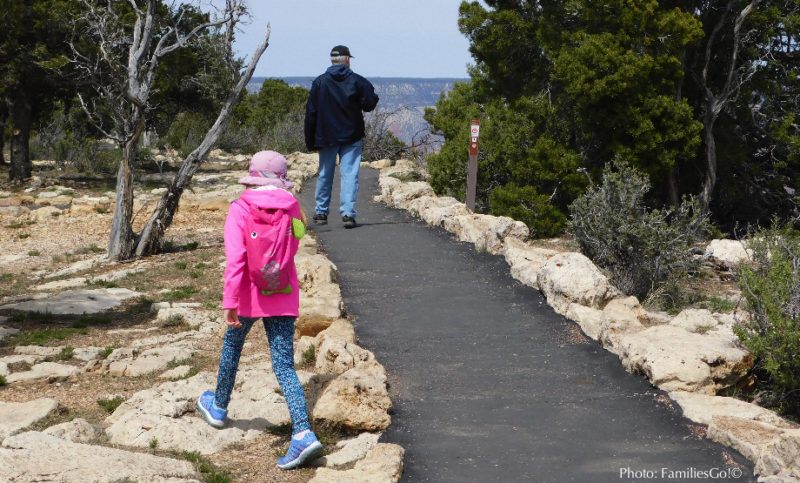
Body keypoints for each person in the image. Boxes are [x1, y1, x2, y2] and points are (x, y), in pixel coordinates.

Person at [196, 151, 323, 470]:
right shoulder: (293, 207)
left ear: (252, 175)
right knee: (284, 365)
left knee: (232, 345)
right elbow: (296, 243)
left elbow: (236, 259)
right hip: (282, 293)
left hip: (249, 296)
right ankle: (303, 433)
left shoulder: (240, 208)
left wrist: (230, 301)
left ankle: (219, 406)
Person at [304, 44, 379, 229]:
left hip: (325, 135)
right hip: (351, 135)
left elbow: (311, 112)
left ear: (332, 60)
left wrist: (310, 139)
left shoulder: (319, 82)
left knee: (324, 174)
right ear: (346, 60)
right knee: (350, 175)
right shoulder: (357, 81)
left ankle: (321, 212)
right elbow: (370, 103)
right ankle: (347, 214)